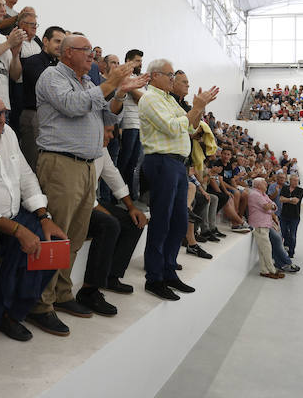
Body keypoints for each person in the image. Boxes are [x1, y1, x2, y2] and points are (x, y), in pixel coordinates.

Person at [25, 34, 142, 334]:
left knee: (74, 237)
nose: (91, 55)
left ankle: (61, 294)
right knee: (56, 235)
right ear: (67, 54)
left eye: (92, 51)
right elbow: (73, 106)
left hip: (87, 167)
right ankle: (39, 302)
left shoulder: (89, 83)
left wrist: (118, 93)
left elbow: (110, 118)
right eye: (85, 50)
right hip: (60, 165)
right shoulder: (52, 77)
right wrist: (110, 84)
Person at [0, 92, 66, 381]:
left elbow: (26, 176)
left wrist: (43, 217)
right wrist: (18, 230)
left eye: (3, 111)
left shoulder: (8, 134)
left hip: (12, 214)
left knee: (54, 242)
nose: (1, 118)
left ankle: (12, 313)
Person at [139, 58, 218, 300]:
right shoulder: (149, 98)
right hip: (162, 162)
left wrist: (199, 108)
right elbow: (173, 128)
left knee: (179, 221)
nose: (173, 79)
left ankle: (169, 270)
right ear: (154, 76)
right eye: (169, 74)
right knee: (162, 221)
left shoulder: (168, 99)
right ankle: (154, 278)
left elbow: (188, 125)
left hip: (177, 164)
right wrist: (195, 108)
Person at [78, 123, 148, 315]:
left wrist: (132, 207)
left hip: (91, 202)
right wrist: (101, 210)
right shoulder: (80, 147)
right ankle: (89, 290)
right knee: (109, 224)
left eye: (112, 131)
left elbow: (113, 176)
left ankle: (111, 276)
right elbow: (82, 193)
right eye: (108, 132)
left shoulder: (102, 150)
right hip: (78, 205)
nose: (112, 136)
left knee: (134, 222)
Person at [19, 25, 65, 169]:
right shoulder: (34, 62)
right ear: (45, 41)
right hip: (34, 116)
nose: (60, 47)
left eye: (63, 43)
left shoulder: (60, 66)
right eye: (57, 41)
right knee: (35, 164)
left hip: (54, 119)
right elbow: (50, 90)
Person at [116, 49, 145, 202]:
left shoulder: (138, 79)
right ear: (128, 60)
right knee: (124, 161)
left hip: (139, 125)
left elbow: (143, 100)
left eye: (141, 61)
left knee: (133, 163)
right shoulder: (125, 76)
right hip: (128, 124)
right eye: (137, 60)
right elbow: (138, 97)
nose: (140, 64)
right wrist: (137, 92)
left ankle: (127, 196)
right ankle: (118, 195)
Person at [248, 177, 284, 280]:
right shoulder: (255, 194)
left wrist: (271, 206)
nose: (266, 185)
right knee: (267, 249)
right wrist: (270, 207)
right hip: (259, 225)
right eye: (264, 183)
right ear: (258, 185)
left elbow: (274, 206)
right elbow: (266, 207)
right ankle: (272, 270)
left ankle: (264, 271)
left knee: (263, 249)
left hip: (264, 224)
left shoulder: (263, 194)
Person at [279, 174, 303, 258]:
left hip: (294, 217)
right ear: (290, 181)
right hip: (284, 216)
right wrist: (290, 199)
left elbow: (296, 201)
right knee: (283, 233)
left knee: (292, 235)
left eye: (297, 181)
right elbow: (281, 199)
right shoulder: (285, 188)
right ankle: (283, 248)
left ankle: (291, 252)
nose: (296, 182)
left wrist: (287, 199)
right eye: (294, 180)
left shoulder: (300, 190)